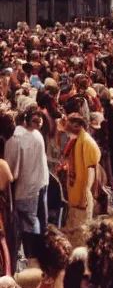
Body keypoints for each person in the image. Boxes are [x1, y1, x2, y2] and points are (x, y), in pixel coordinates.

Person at [5, 106, 48, 270]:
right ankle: (39, 258)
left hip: (26, 188)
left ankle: (32, 262)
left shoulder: (15, 139)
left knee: (29, 225)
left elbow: (11, 172)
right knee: (38, 222)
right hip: (40, 183)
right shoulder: (36, 134)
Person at [61, 114, 99, 247]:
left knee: (82, 234)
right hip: (75, 195)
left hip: (83, 197)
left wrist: (87, 192)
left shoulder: (86, 142)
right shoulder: (76, 140)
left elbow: (91, 169)